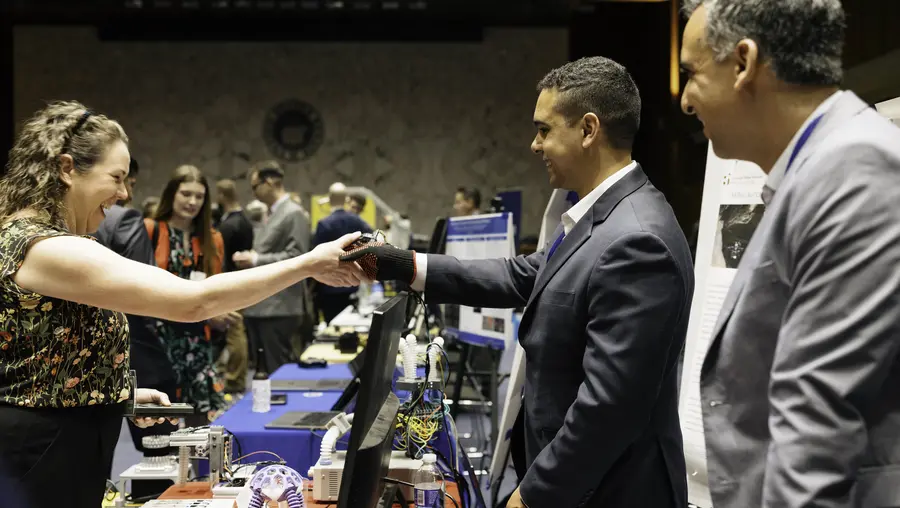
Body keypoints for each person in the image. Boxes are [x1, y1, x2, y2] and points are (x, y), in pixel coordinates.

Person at [343, 57, 693, 508]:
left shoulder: (637, 240)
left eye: (544, 130)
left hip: (609, 492)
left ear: (588, 130)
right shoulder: (603, 219)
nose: (534, 144)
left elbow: (609, 410)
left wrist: (531, 496)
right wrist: (405, 265)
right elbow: (523, 275)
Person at [0, 100, 364, 508]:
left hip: (62, 444)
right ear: (68, 169)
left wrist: (117, 393)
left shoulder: (50, 241)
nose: (123, 193)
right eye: (116, 178)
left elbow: (42, 356)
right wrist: (309, 263)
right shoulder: (43, 247)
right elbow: (193, 302)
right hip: (38, 454)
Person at [680, 1, 900, 506]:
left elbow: (815, 432)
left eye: (692, 74)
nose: (687, 101)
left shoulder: (855, 171)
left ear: (743, 63)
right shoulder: (816, 169)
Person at [94, 157, 180, 456]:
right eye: (118, 179)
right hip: (135, 351)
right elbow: (147, 297)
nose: (125, 194)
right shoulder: (123, 220)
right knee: (158, 454)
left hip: (83, 384)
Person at [146, 164, 233, 424]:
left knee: (202, 424)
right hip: (159, 339)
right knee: (160, 427)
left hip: (197, 340)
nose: (192, 201)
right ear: (172, 194)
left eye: (199, 196)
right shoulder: (150, 230)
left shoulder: (213, 238)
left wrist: (217, 313)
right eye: (186, 194)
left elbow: (215, 288)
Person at [235, 162, 315, 370]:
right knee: (264, 372)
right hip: (263, 305)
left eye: (255, 187)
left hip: (280, 307)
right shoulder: (270, 213)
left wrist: (255, 260)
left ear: (269, 182)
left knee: (278, 372)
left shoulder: (293, 213)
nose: (254, 193)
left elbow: (298, 257)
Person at [214, 178, 254, 393]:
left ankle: (235, 378)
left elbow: (222, 258)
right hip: (243, 281)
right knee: (238, 330)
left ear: (221, 195)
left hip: (232, 282)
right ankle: (236, 377)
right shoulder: (244, 220)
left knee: (235, 332)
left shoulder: (229, 224)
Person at [314, 183, 373, 324]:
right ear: (346, 199)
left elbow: (317, 258)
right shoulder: (359, 222)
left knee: (332, 326)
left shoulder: (324, 224)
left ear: (330, 198)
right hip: (353, 283)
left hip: (329, 287)